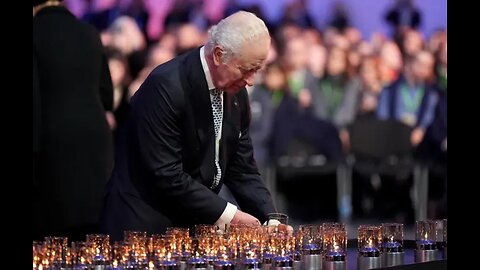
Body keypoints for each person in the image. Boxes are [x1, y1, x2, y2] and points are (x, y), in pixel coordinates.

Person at [100, 11, 278, 241]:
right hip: (143, 229)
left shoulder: (236, 92)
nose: (251, 80)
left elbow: (241, 166)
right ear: (218, 55)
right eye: (247, 69)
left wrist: (270, 217)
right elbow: (166, 173)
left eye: (258, 70)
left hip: (188, 229)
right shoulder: (166, 86)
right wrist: (231, 215)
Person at [33, 0, 114, 240]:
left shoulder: (35, 33)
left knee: (52, 239)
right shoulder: (89, 32)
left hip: (51, 143)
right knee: (90, 235)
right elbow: (107, 96)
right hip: (95, 142)